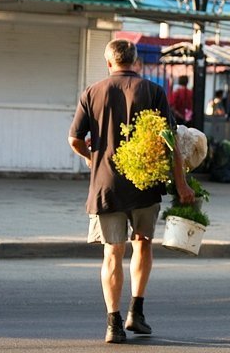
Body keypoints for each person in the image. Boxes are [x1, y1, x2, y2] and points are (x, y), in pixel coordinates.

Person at [68, 39, 195, 344]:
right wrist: (181, 184)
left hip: (106, 185)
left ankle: (113, 324)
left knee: (112, 252)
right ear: (135, 62)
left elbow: (74, 139)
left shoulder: (92, 92)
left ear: (108, 62)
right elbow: (170, 141)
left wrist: (91, 157)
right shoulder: (153, 91)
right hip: (145, 183)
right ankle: (136, 312)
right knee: (143, 244)